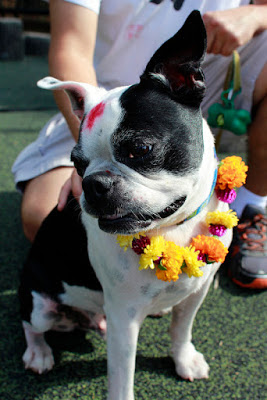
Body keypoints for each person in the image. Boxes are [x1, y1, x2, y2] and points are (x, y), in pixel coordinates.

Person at [12, 0, 267, 289]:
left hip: (200, 91)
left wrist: (259, 13)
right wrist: (94, 153)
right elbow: (70, 48)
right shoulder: (93, 119)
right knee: (42, 218)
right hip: (100, 102)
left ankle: (251, 207)